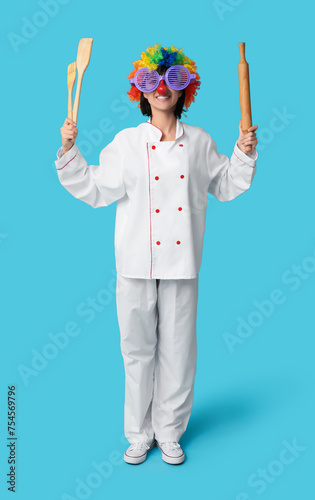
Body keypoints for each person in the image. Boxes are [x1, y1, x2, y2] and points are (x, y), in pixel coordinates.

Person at [55, 43, 258, 466]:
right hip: (133, 265)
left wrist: (244, 149)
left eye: (174, 80)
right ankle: (138, 434)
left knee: (179, 352)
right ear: (140, 93)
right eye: (152, 82)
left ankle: (169, 432)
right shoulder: (127, 143)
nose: (162, 88)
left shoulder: (200, 142)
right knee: (136, 350)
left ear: (187, 90)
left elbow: (225, 184)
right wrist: (69, 151)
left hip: (183, 266)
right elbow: (96, 188)